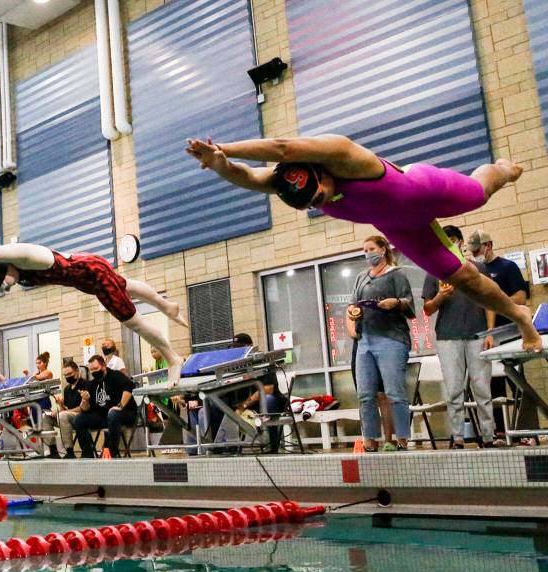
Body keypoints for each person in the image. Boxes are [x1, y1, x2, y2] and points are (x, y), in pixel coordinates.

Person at [185, 134, 540, 351]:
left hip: (422, 190)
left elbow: (282, 146)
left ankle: (503, 168)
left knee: (479, 194)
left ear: (320, 170)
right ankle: (519, 315)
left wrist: (225, 146)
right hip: (401, 228)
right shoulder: (289, 183)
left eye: (321, 194)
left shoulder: (344, 156)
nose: (321, 202)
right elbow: (247, 175)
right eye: (314, 204)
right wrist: (220, 164)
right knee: (462, 277)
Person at [0, 243, 187, 386]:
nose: (7, 287)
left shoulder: (26, 256)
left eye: (4, 282)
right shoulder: (2, 268)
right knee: (127, 285)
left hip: (93, 274)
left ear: (4, 267)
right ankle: (166, 306)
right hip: (84, 274)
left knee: (133, 321)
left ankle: (173, 357)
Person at [422, 226, 498, 448]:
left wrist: (490, 332)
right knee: (454, 389)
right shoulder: (433, 271)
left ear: (461, 242)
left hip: (477, 334)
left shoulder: (477, 268)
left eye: (453, 240)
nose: (450, 245)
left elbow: (490, 301)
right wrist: (440, 296)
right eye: (445, 241)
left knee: (482, 388)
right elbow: (427, 309)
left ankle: (488, 436)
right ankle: (457, 437)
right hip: (448, 337)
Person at [346, 236, 416, 452]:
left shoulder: (397, 274)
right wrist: (353, 315)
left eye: (372, 249)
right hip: (365, 340)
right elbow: (352, 305)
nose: (368, 253)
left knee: (394, 392)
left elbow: (409, 304)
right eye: (365, 250)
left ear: (384, 249)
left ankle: (402, 438)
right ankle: (370, 439)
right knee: (365, 394)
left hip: (391, 339)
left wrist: (395, 303)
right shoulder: (361, 277)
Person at [468, 229, 537, 442]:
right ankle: (498, 431)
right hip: (483, 334)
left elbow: (521, 298)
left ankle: (526, 431)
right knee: (489, 385)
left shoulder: (507, 267)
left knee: (517, 382)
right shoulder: (472, 271)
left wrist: (497, 301)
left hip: (508, 332)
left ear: (488, 246)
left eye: (477, 250)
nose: (475, 254)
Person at [74, 354, 137, 459]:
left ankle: (112, 453)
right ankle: (88, 454)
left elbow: (129, 387)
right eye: (91, 370)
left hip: (125, 413)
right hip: (103, 416)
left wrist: (120, 406)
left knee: (113, 414)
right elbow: (86, 409)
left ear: (103, 366)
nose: (94, 372)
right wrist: (85, 400)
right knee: (79, 419)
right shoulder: (92, 384)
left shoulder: (115, 375)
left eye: (96, 368)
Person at [41, 359, 88, 458]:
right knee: (45, 417)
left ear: (77, 371)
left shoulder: (85, 384)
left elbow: (82, 408)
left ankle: (69, 450)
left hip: (81, 417)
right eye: (65, 375)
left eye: (70, 374)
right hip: (67, 418)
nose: (68, 377)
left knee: (62, 415)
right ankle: (53, 450)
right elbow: (64, 410)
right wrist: (60, 405)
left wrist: (63, 412)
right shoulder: (67, 389)